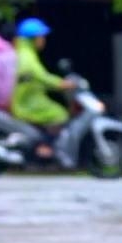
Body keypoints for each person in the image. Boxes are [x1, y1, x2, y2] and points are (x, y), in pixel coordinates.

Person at [12, 18, 74, 159]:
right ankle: (45, 146)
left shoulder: (25, 53)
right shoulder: (27, 57)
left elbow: (38, 79)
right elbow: (41, 77)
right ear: (33, 38)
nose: (43, 40)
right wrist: (61, 84)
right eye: (41, 37)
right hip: (27, 102)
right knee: (59, 114)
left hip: (30, 98)